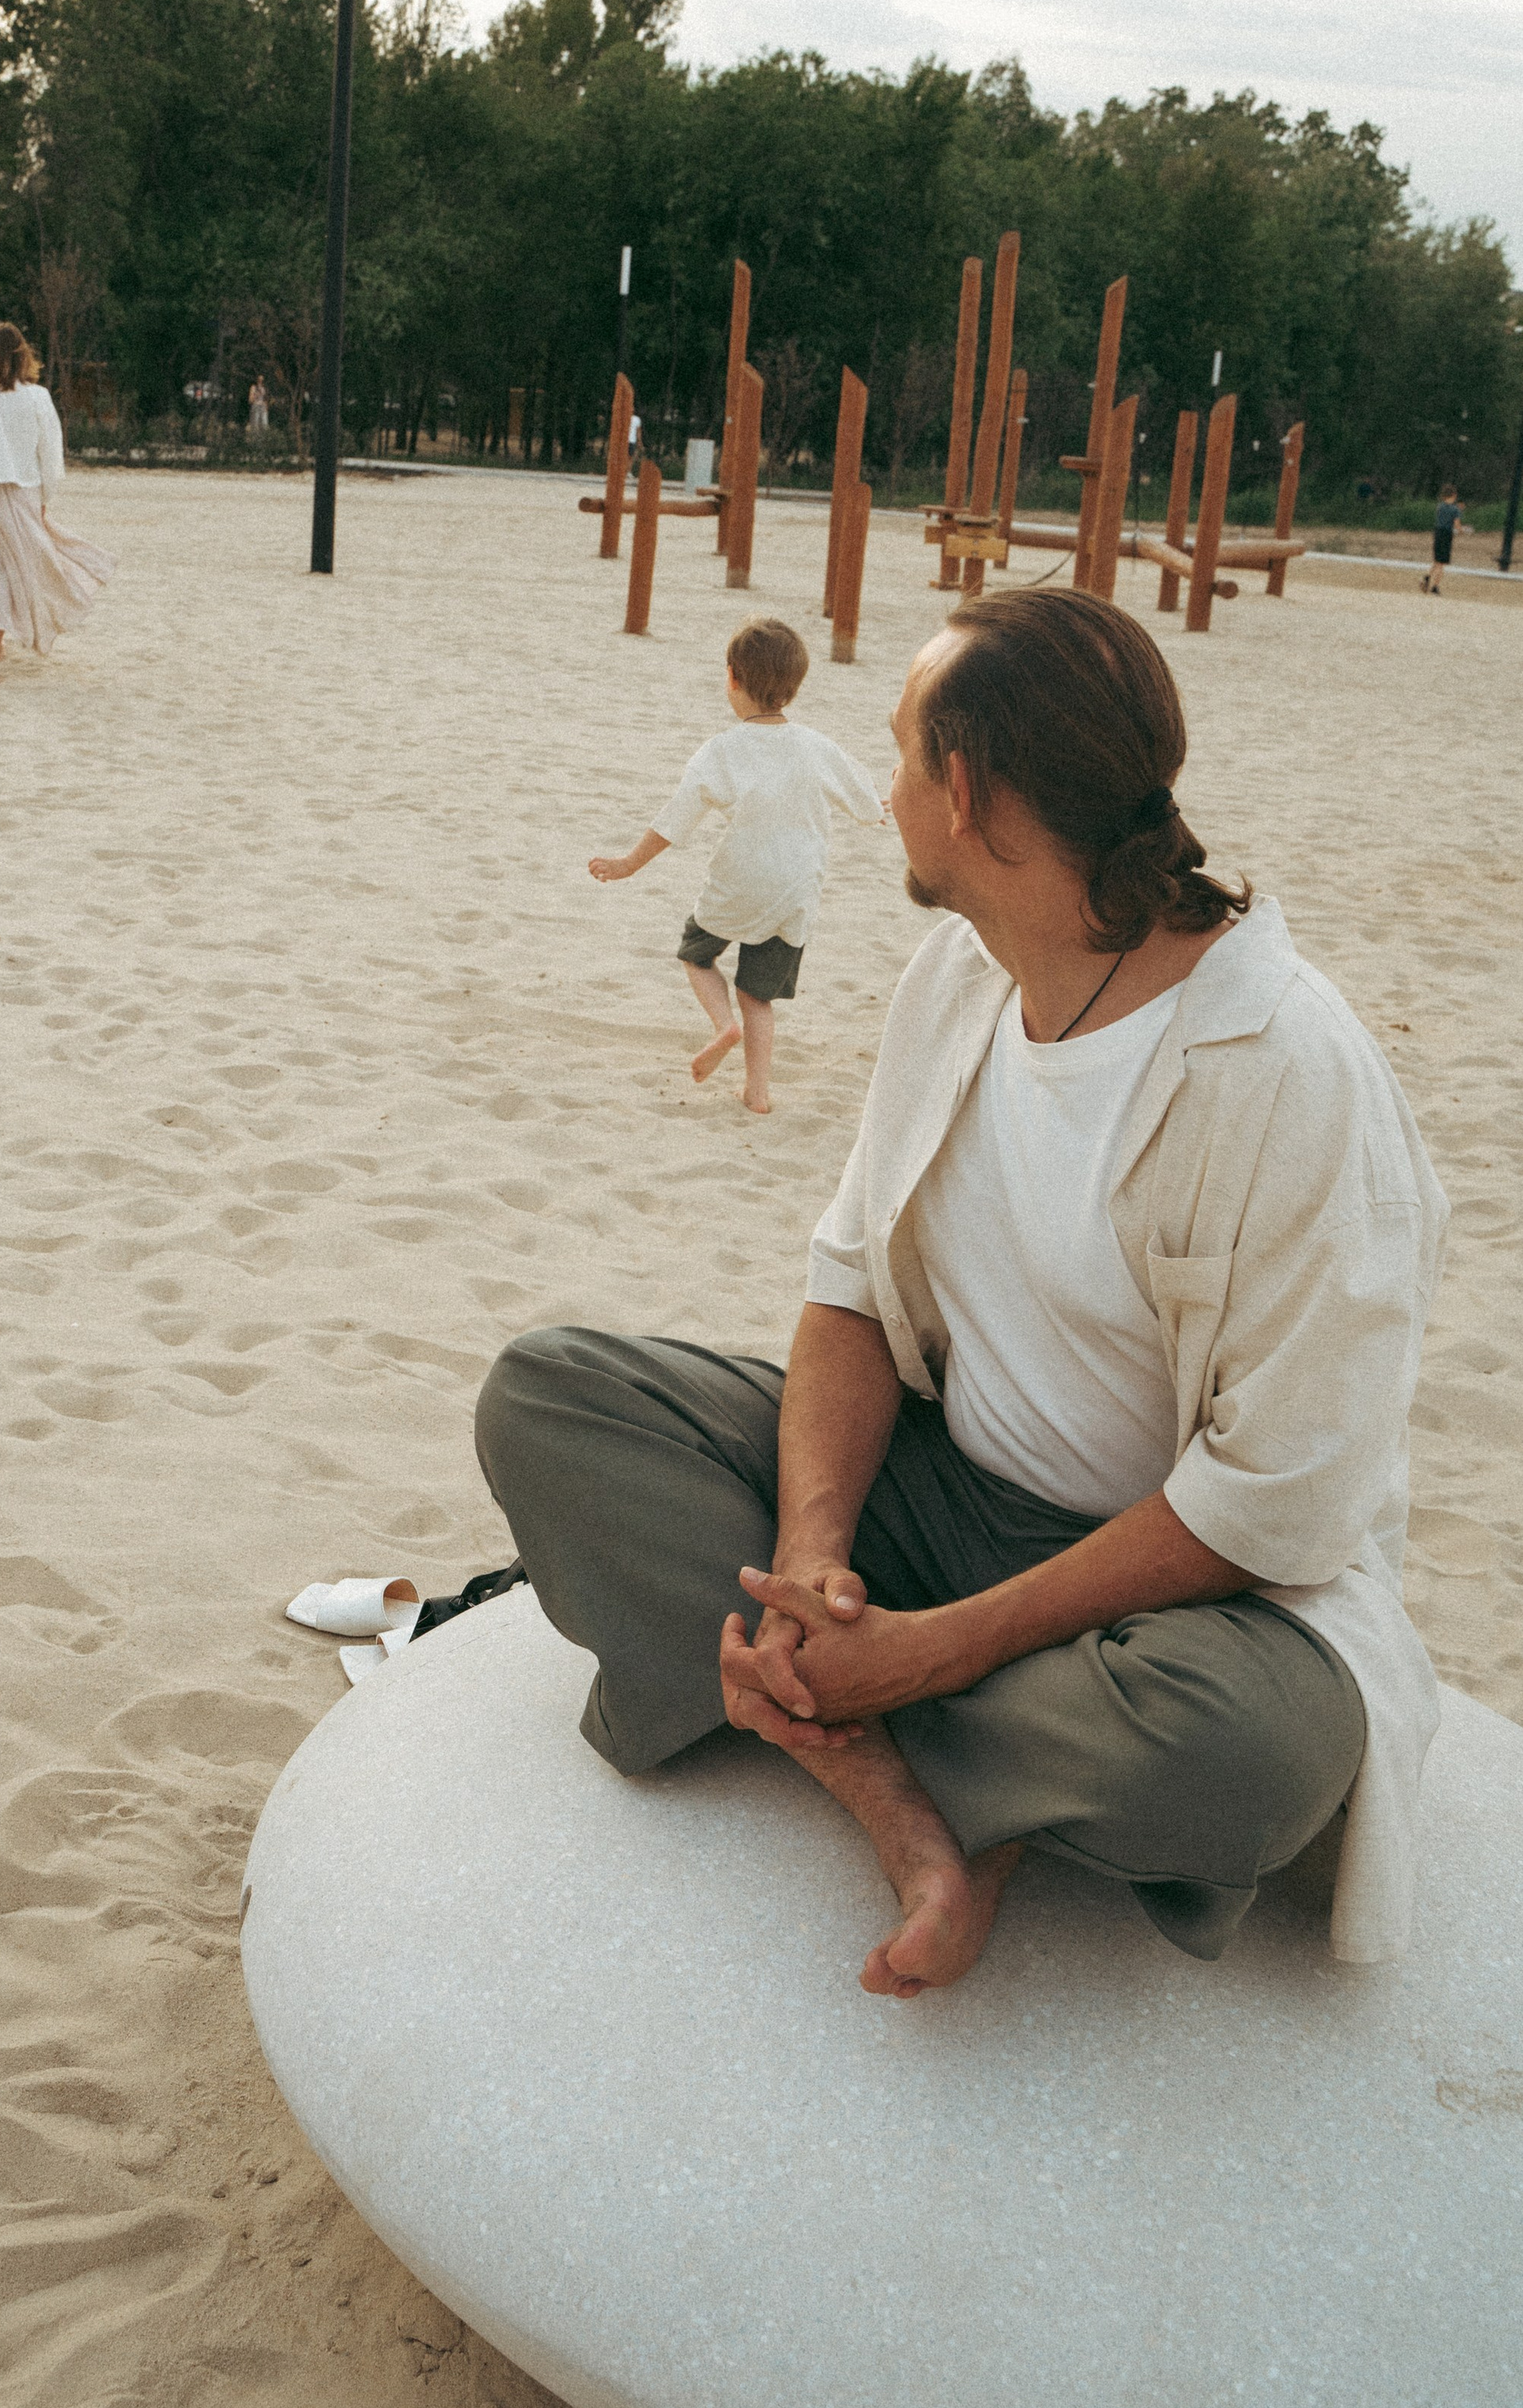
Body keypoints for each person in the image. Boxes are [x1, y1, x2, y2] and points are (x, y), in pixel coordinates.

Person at [437, 591, 1446, 1995]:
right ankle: (907, 1793)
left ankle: (858, 1719)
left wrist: (925, 1656)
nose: (894, 784)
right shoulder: (959, 979)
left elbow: (1281, 1502)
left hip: (1179, 1600)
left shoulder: (1289, 1072)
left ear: (964, 794)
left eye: (907, 753)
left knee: (1257, 1762)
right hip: (947, 1497)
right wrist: (812, 1558)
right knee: (551, 1398)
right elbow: (850, 1287)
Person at [588, 617, 882, 1114]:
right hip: (794, 890)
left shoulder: (722, 750)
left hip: (738, 881)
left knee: (695, 953)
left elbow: (676, 819)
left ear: (732, 679)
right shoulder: (816, 746)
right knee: (758, 994)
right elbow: (868, 805)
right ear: (794, 688)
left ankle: (723, 1026)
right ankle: (758, 1093)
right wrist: (878, 806)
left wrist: (629, 863)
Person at [0, 324, 114, 683]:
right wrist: (45, 498)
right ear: (22, 353)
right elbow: (51, 457)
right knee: (8, 569)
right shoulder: (37, 397)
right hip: (19, 491)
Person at [1421, 483, 1462, 594]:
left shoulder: (1440, 507)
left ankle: (1427, 577)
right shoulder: (1455, 510)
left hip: (1438, 533)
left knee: (1436, 560)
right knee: (1442, 563)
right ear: (1454, 495)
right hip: (1447, 535)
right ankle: (1435, 586)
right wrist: (1461, 530)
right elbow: (1457, 524)